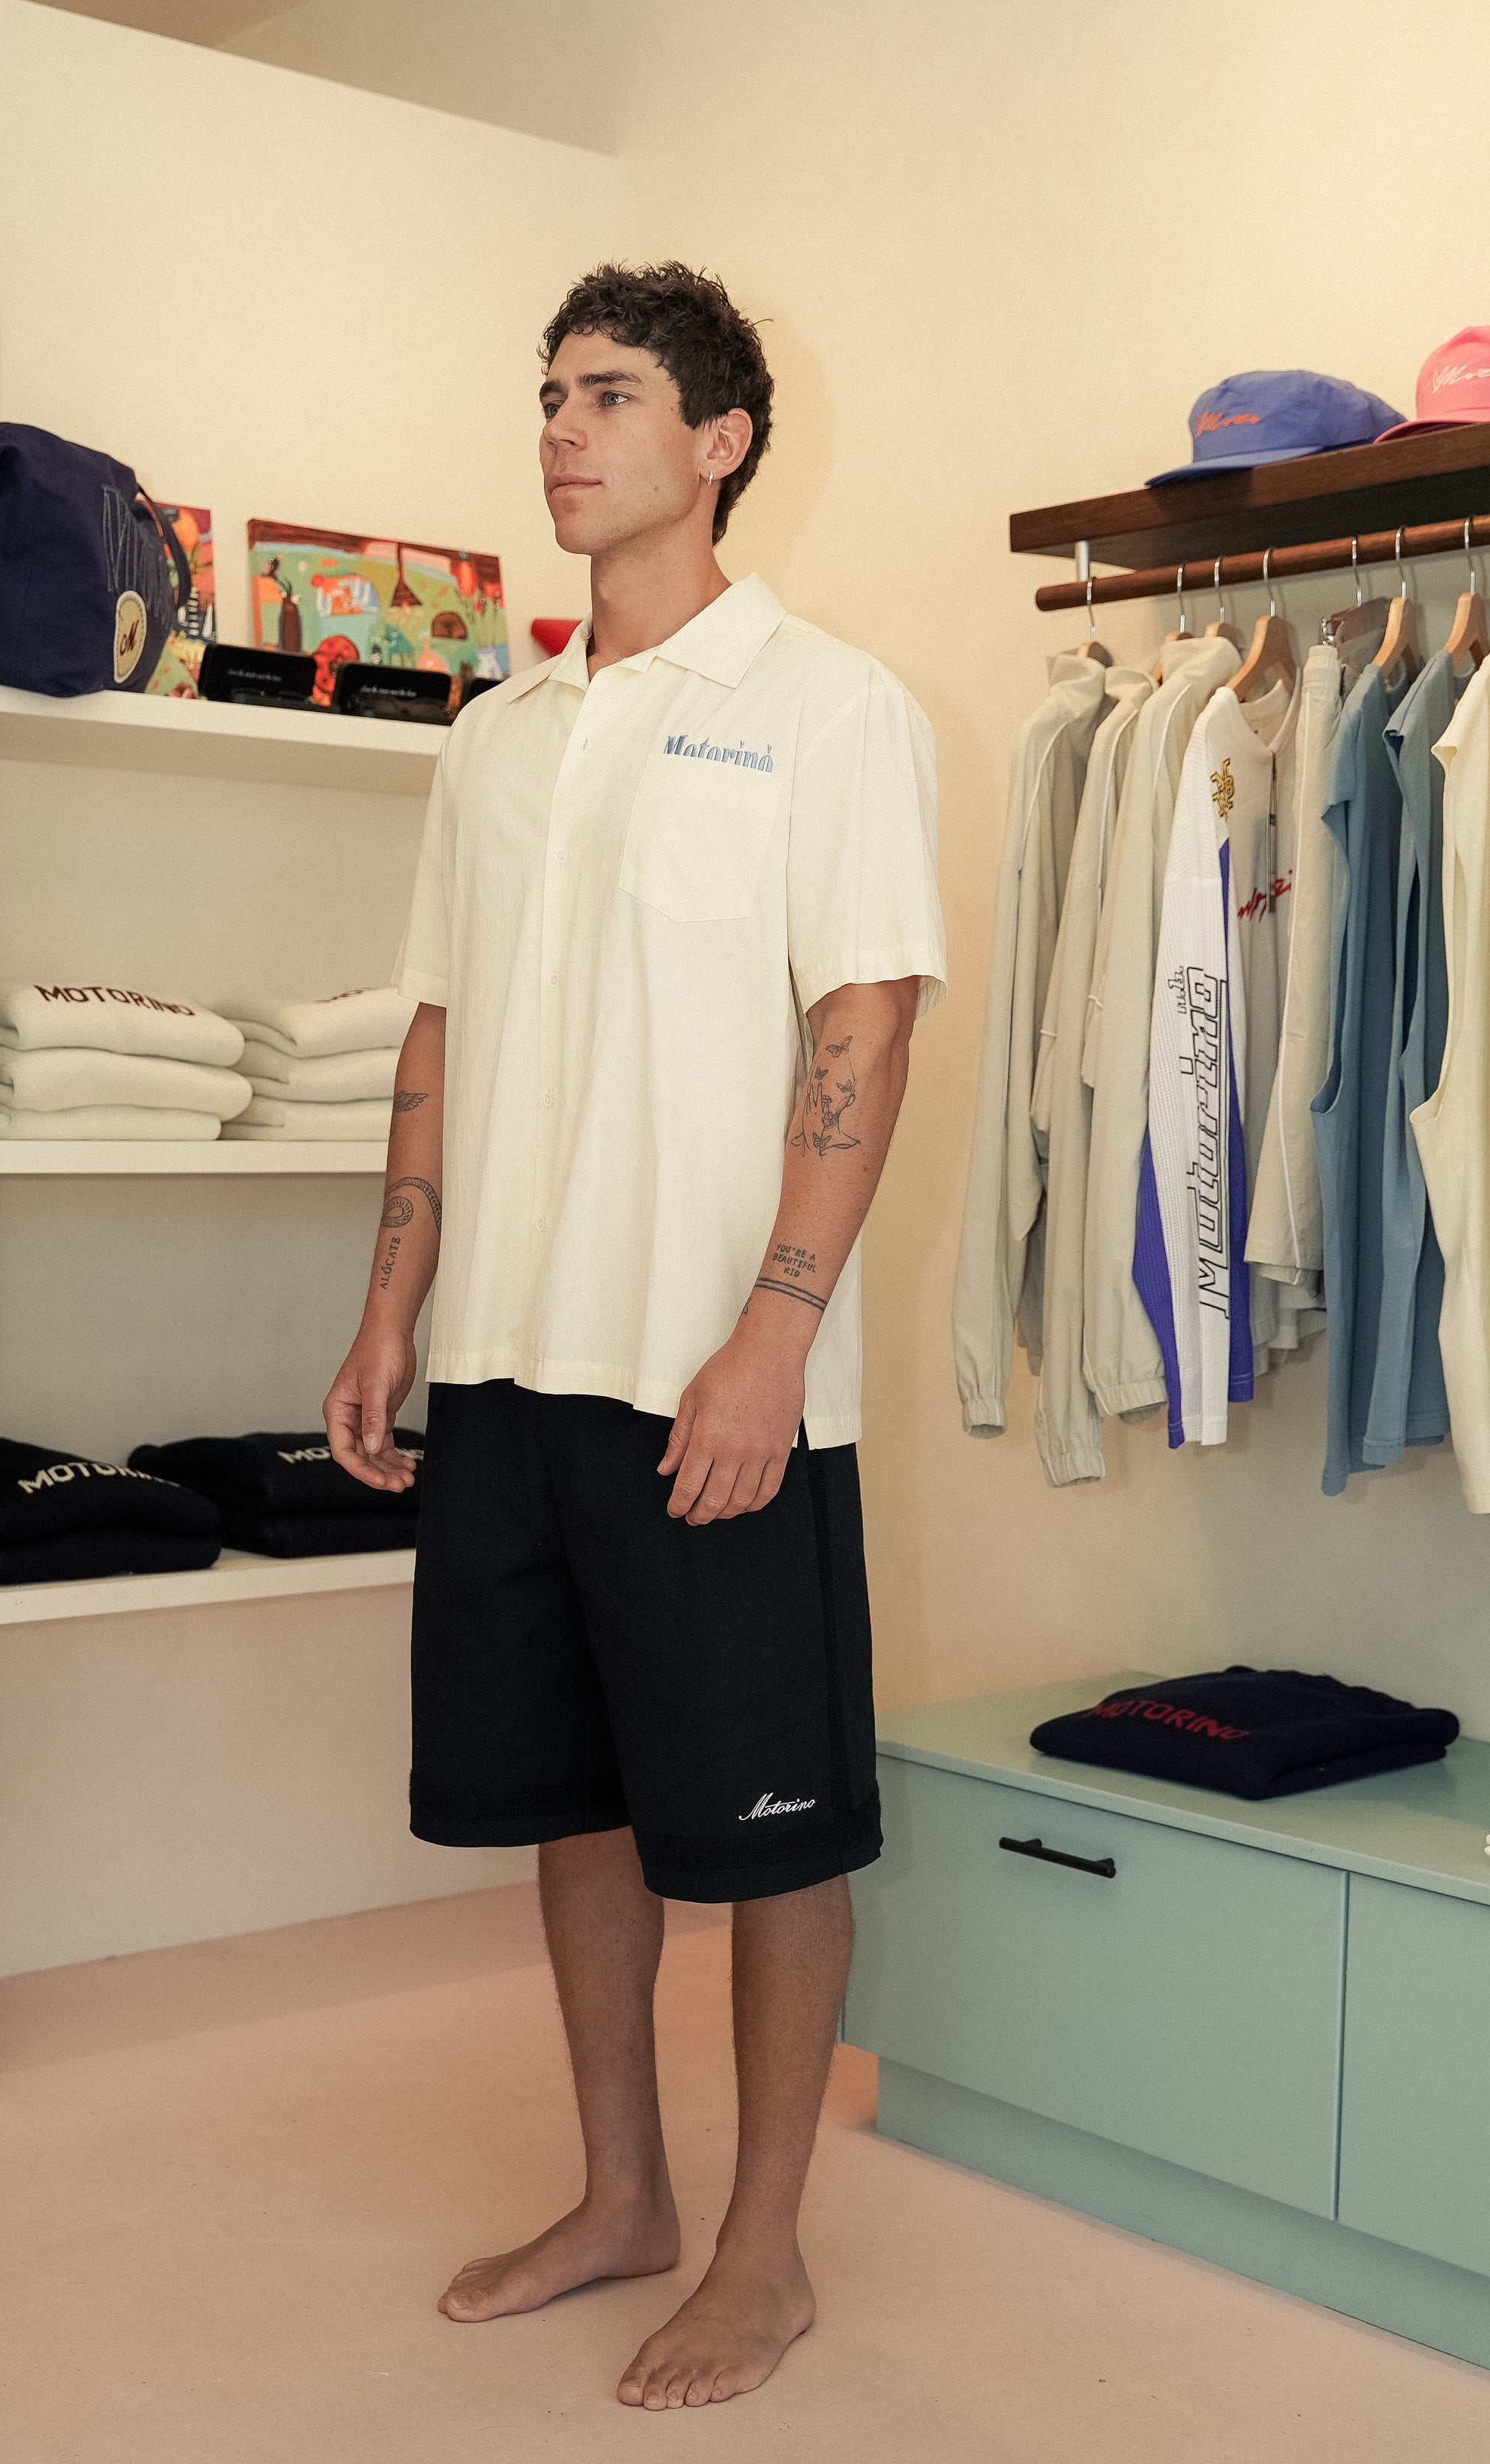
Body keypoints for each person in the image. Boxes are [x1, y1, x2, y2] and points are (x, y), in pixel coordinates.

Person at [323, 260, 945, 2411]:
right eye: (552, 396)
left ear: (720, 439)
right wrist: (393, 1304)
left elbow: (863, 1028)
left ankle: (764, 2256)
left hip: (715, 1380)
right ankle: (623, 2198)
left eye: (608, 396)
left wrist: (774, 1337)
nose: (562, 432)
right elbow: (437, 1031)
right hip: (508, 1369)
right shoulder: (495, 740)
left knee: (773, 1831)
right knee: (569, 1801)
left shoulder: (830, 706)